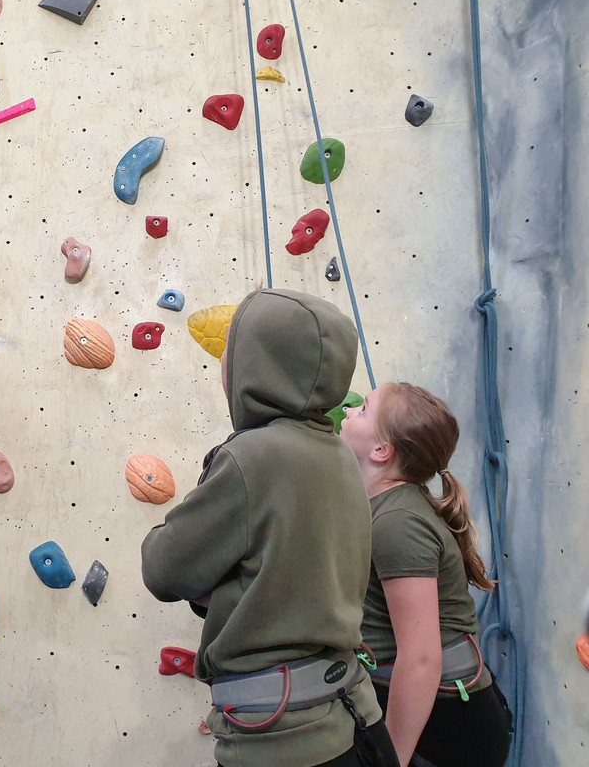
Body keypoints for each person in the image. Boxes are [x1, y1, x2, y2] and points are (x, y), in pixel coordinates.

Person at [142, 288, 398, 767]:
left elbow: (164, 569)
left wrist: (218, 584)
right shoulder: (338, 455)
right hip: (352, 716)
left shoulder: (251, 457)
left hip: (281, 736)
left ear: (257, 365)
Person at [339, 384, 512, 766]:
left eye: (364, 409)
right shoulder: (385, 510)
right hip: (428, 714)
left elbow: (420, 658)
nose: (350, 411)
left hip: (448, 728)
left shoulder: (397, 523)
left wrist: (392, 759)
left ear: (382, 450)